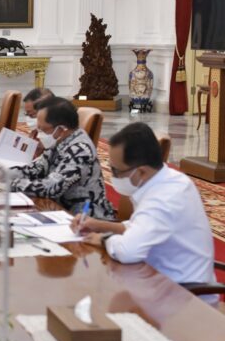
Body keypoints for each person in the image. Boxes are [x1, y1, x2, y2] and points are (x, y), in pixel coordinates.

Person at [72, 122, 217, 304]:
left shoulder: (164, 198)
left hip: (184, 296)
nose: (113, 176)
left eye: (116, 170)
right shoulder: (168, 180)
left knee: (96, 300)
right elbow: (140, 226)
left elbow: (128, 251)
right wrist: (100, 225)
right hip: (161, 280)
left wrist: (102, 240)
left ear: (141, 171)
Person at [10, 96, 114, 219]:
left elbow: (52, 187)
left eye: (43, 129)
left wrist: (10, 184)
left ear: (61, 129)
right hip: (60, 209)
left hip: (86, 218)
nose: (39, 133)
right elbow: (35, 169)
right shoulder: (60, 141)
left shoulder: (80, 150)